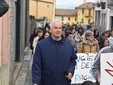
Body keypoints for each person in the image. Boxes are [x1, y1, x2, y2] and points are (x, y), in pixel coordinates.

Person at [32, 20, 78, 85]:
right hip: (46, 81)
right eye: (55, 28)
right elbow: (36, 64)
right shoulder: (41, 45)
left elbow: (72, 61)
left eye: (60, 28)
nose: (58, 30)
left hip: (63, 81)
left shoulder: (69, 45)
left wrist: (70, 71)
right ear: (50, 30)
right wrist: (36, 81)